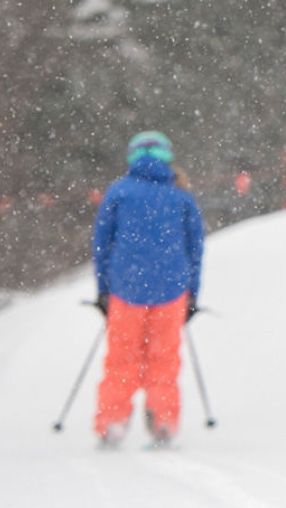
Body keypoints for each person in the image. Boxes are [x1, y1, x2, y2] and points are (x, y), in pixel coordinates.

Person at [90, 131, 205, 449]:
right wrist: (192, 294)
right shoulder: (181, 197)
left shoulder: (119, 193)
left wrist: (103, 289)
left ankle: (112, 421)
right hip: (171, 291)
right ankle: (164, 423)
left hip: (125, 290)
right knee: (163, 360)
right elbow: (195, 249)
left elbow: (102, 245)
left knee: (122, 359)